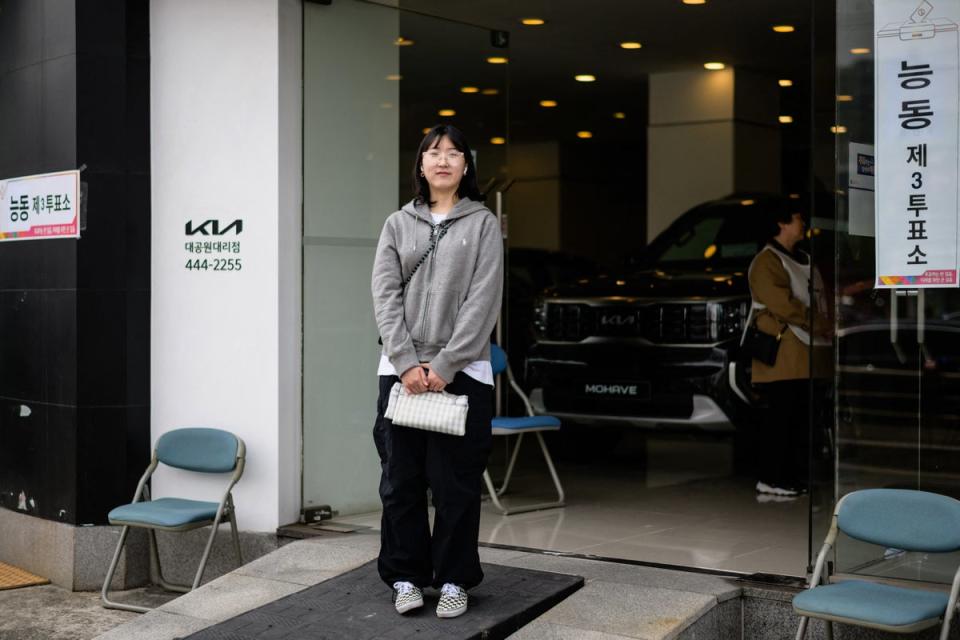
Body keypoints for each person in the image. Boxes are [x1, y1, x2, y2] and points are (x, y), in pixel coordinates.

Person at [370, 124, 503, 619]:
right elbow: (384, 296)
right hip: (399, 371)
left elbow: (483, 299)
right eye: (433, 152)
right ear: (420, 165)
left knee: (455, 485)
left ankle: (452, 579)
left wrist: (445, 364)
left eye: (453, 153)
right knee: (400, 480)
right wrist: (406, 363)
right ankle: (405, 577)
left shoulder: (483, 224)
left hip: (463, 371)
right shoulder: (397, 224)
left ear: (466, 166)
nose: (443, 160)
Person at [747, 207, 830, 498]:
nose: (804, 223)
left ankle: (789, 476)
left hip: (806, 350)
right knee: (781, 417)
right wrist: (821, 324)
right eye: (797, 218)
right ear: (781, 223)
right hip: (785, 353)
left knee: (799, 419)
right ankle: (771, 477)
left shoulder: (803, 258)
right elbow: (782, 304)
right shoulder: (766, 262)